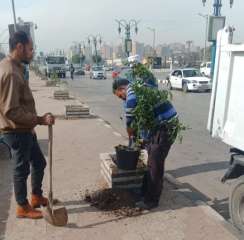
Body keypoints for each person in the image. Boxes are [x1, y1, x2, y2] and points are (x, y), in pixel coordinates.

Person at [0, 31, 55, 219]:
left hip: (25, 129)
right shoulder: (10, 72)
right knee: (21, 169)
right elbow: (11, 110)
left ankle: (35, 196)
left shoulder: (15, 67)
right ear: (20, 47)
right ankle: (22, 206)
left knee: (39, 162)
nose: (32, 53)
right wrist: (39, 120)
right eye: (30, 49)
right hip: (16, 130)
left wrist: (35, 120)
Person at [113, 78, 178, 210]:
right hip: (160, 126)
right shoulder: (139, 86)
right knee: (152, 161)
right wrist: (142, 139)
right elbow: (145, 117)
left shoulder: (132, 92)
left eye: (120, 96)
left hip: (165, 128)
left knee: (155, 164)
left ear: (121, 89)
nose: (122, 99)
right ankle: (144, 192)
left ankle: (151, 200)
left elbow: (131, 121)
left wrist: (131, 135)